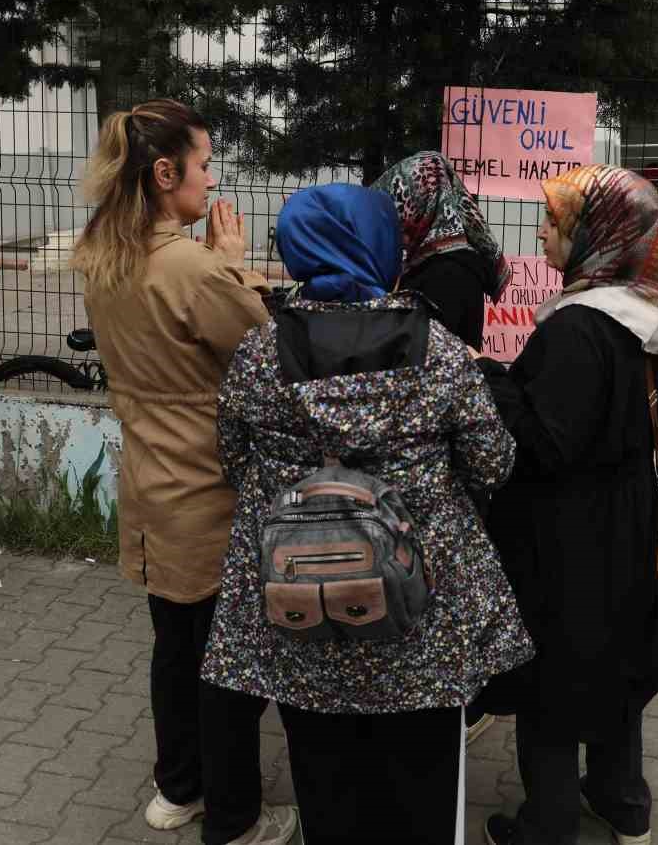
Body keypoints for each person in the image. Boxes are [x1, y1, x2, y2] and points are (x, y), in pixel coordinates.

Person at [200, 183, 535, 845]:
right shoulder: (440, 353)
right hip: (419, 616)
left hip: (307, 608)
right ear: (381, 247)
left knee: (323, 779)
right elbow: (493, 464)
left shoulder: (259, 354)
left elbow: (233, 465)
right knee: (423, 786)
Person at [73, 100, 296, 845]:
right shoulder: (194, 268)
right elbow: (265, 356)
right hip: (208, 493)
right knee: (225, 668)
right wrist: (233, 268)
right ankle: (232, 820)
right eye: (203, 166)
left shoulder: (103, 254)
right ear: (165, 174)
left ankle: (178, 790)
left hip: (150, 488)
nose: (212, 180)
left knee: (174, 651)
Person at [474, 164, 658, 845]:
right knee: (616, 660)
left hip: (570, 534)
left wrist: (491, 378)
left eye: (555, 222)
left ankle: (548, 822)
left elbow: (547, 441)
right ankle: (623, 803)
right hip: (624, 518)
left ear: (599, 234)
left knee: (555, 680)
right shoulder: (644, 317)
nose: (540, 232)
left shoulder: (578, 329)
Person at [374, 149, 514, 746]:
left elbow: (428, 363)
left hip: (443, 444)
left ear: (420, 204)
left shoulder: (444, 270)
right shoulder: (447, 254)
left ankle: (462, 704)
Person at [374, 150, 512, 350]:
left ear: (419, 204)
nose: (398, 217)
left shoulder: (445, 272)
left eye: (402, 204)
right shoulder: (443, 260)